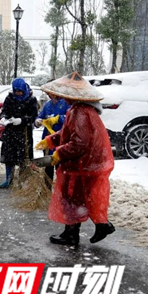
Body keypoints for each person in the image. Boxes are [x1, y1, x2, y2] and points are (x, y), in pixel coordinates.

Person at [35, 72, 115, 245]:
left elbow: (79, 144)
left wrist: (58, 154)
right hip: (84, 164)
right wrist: (50, 140)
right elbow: (66, 133)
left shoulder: (80, 112)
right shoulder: (77, 110)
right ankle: (98, 226)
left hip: (81, 165)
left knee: (72, 199)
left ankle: (72, 235)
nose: (61, 97)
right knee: (80, 198)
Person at [0, 78, 38, 188]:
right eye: (16, 91)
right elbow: (4, 111)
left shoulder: (31, 100)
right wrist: (4, 118)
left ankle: (22, 180)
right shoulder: (10, 98)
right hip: (10, 132)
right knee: (9, 156)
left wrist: (22, 120)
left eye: (20, 91)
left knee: (24, 157)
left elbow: (33, 116)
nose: (18, 94)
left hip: (24, 133)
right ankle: (8, 178)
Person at [35, 93, 70, 183]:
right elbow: (40, 116)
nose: (50, 95)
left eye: (52, 93)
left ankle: (61, 188)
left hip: (61, 138)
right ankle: (47, 188)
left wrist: (58, 119)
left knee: (60, 166)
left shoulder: (66, 103)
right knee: (48, 165)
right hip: (48, 139)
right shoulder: (47, 105)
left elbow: (70, 118)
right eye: (49, 94)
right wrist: (37, 121)